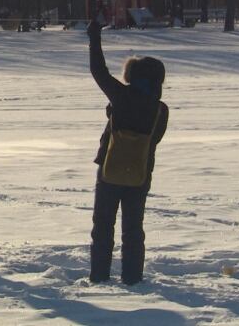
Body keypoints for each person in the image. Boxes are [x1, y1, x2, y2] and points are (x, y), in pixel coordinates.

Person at [87, 20, 168, 285]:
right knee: (133, 229)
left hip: (109, 170)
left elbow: (97, 70)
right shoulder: (160, 109)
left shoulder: (120, 96)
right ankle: (132, 278)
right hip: (140, 173)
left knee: (103, 227)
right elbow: (154, 138)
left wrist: (94, 37)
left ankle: (99, 276)